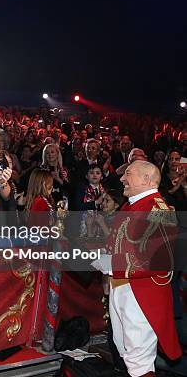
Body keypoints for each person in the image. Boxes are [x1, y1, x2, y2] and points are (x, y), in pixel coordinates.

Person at [91, 161, 181, 376]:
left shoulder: (158, 209)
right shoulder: (131, 205)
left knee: (139, 358)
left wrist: (112, 264)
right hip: (122, 288)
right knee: (126, 350)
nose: (122, 179)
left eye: (128, 174)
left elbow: (157, 261)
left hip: (141, 293)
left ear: (146, 179)